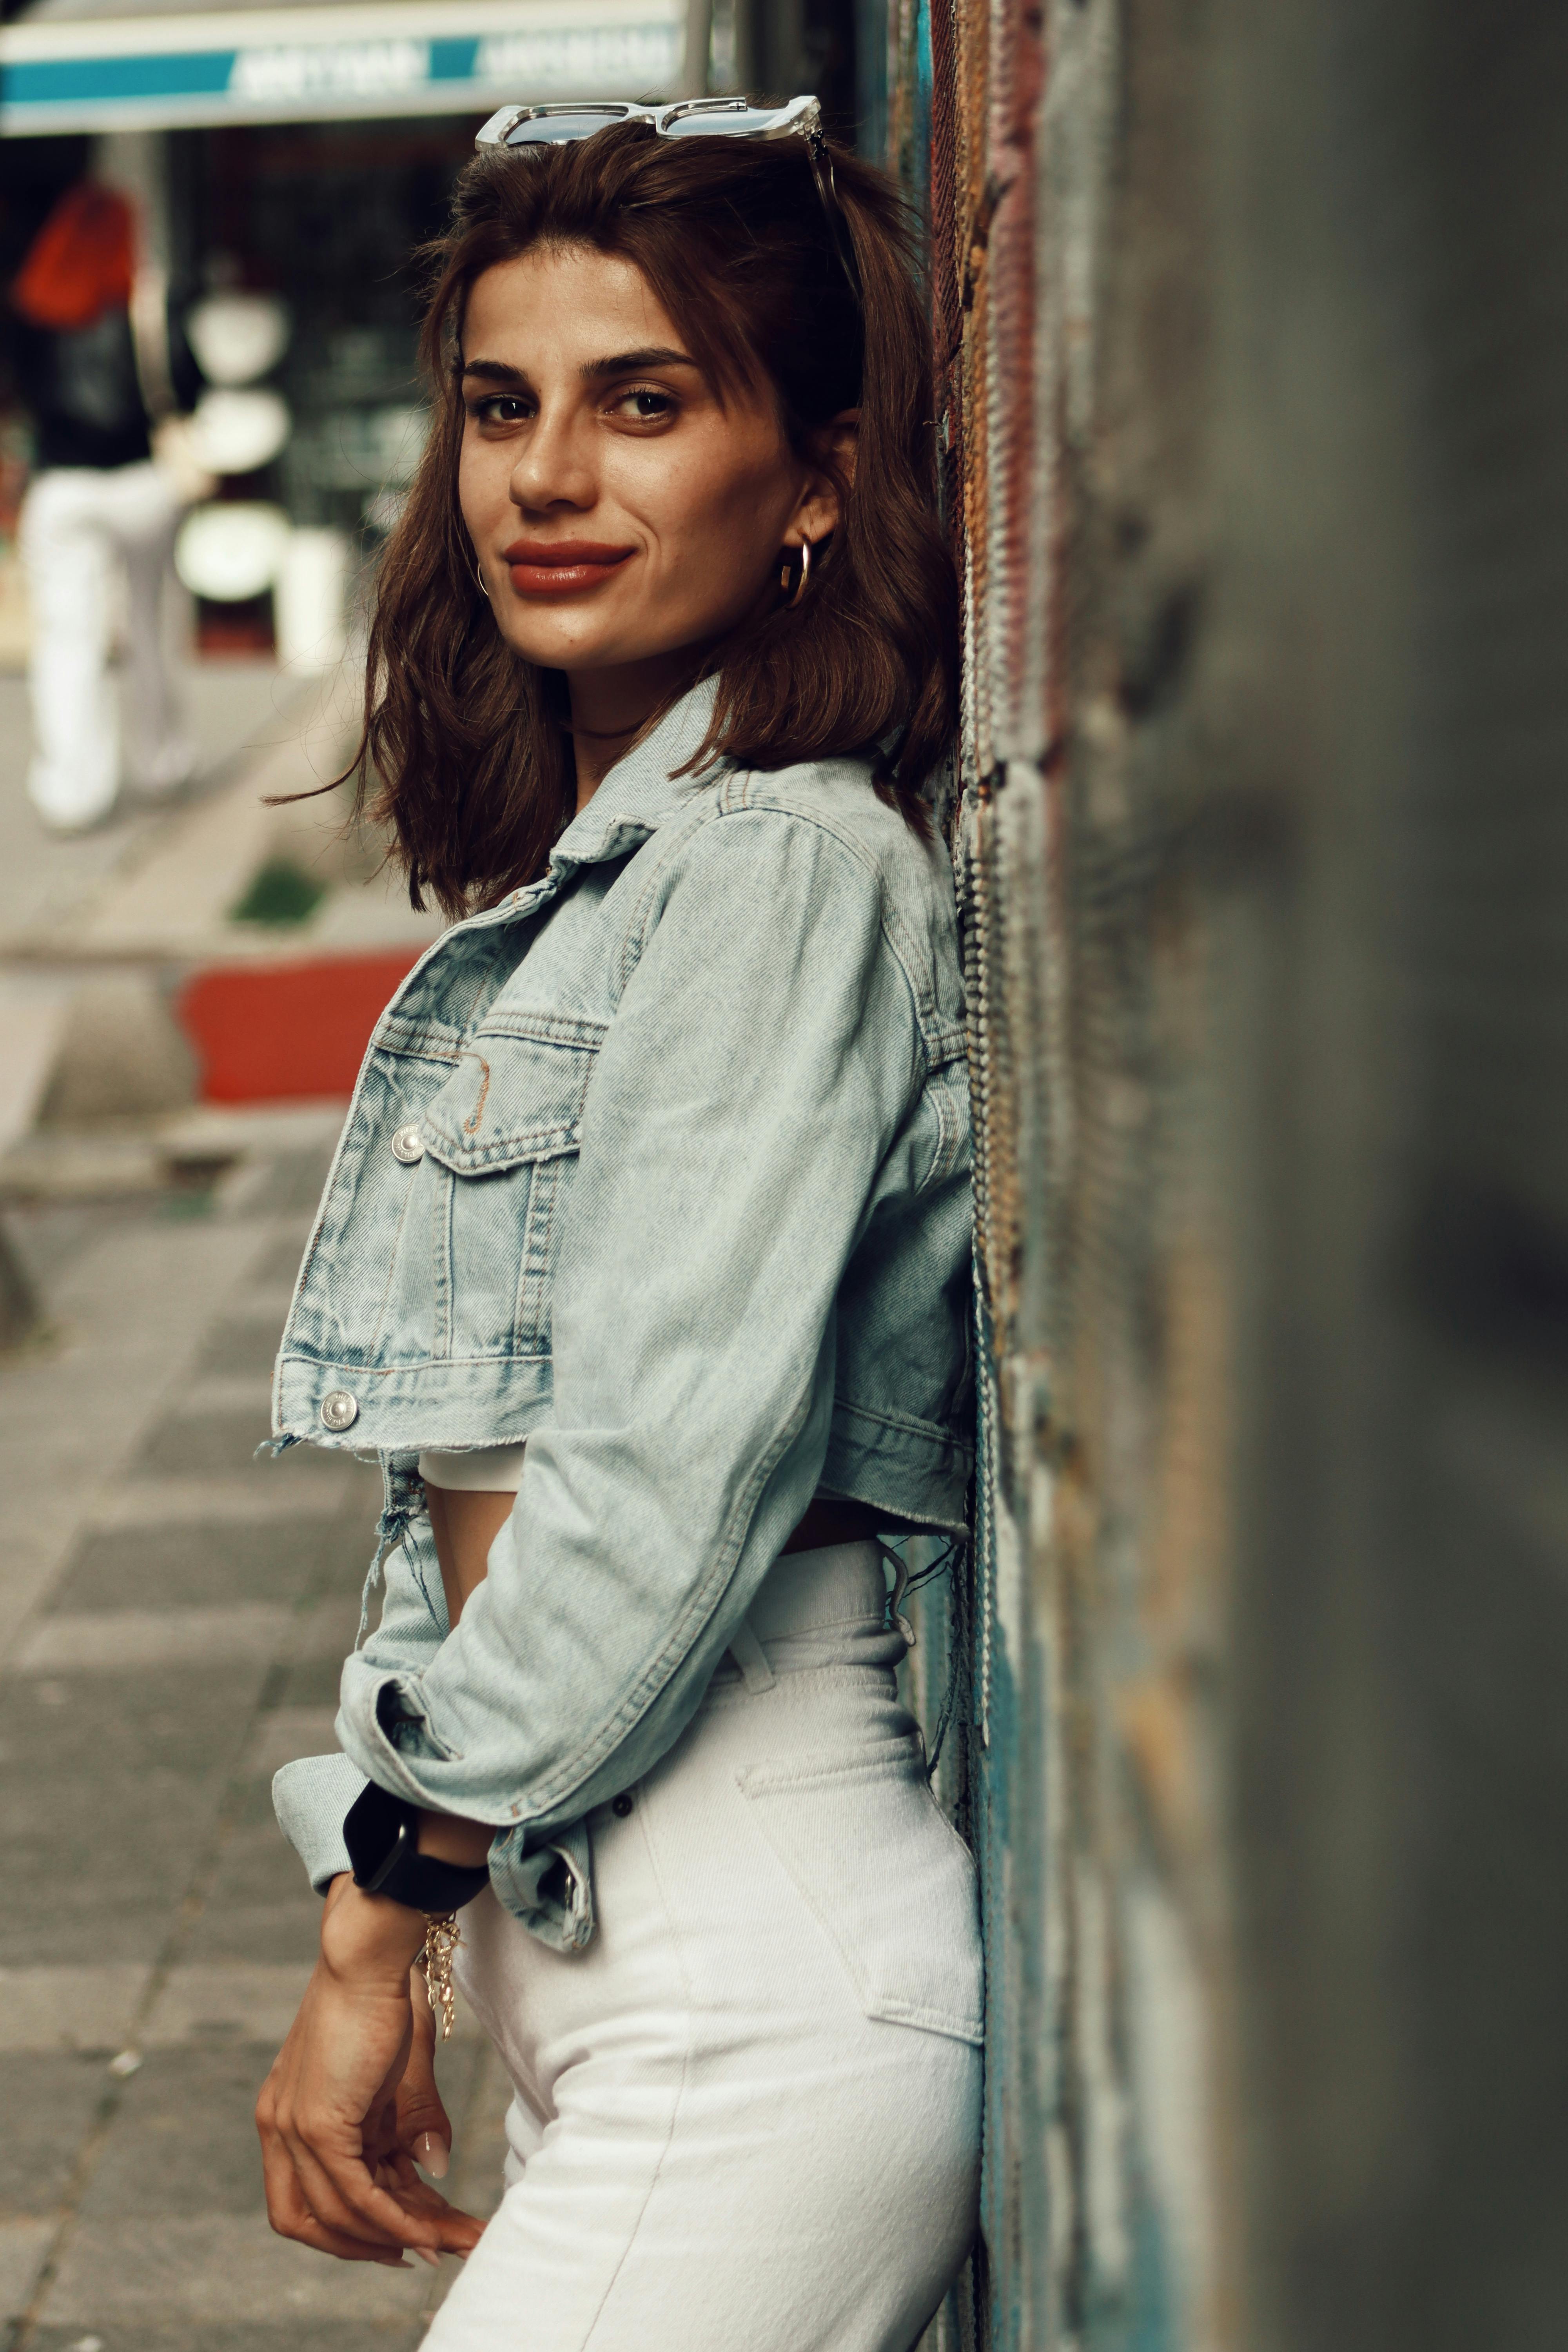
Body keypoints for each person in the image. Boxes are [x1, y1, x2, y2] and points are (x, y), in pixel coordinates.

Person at [256, 97, 980, 2352]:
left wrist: (378, 1923)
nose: (544, 479)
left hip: (757, 1983)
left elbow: (662, 1488)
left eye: (643, 403)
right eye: (501, 407)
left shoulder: (779, 871)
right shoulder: (621, 891)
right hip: (613, 1958)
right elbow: (474, 1501)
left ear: (822, 474)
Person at [9, 179, 194, 831]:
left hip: (63, 490)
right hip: (140, 484)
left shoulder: (30, 306)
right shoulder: (146, 299)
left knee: (68, 639)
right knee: (151, 629)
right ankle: (162, 764)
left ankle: (73, 793)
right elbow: (187, 384)